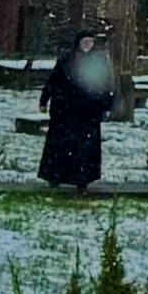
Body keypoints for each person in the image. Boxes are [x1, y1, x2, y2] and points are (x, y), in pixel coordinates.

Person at [40, 33, 117, 194]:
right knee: (61, 145)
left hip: (88, 113)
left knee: (84, 149)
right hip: (65, 111)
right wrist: (44, 100)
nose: (88, 45)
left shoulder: (97, 64)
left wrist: (106, 105)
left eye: (91, 42)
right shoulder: (66, 61)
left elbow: (105, 86)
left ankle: (82, 180)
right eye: (85, 41)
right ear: (78, 43)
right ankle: (55, 177)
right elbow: (54, 81)